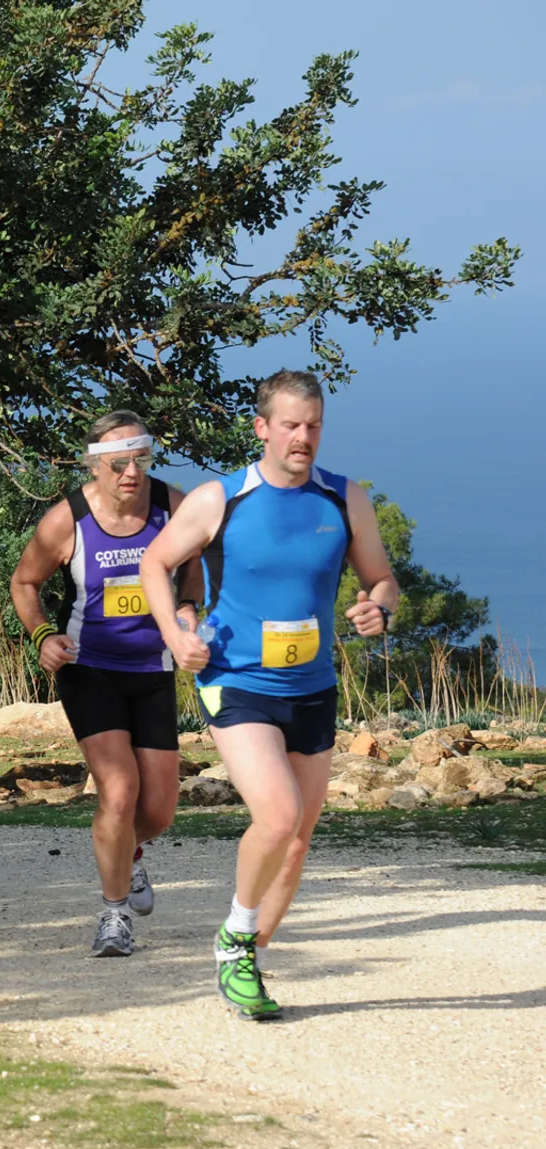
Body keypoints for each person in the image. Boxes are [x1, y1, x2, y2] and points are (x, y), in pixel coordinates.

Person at [140, 370, 398, 1020]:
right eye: (290, 424)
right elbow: (154, 564)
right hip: (234, 679)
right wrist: (175, 633)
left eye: (313, 425)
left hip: (311, 688)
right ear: (262, 428)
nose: (303, 437)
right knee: (278, 816)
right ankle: (235, 932)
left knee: (299, 837)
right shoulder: (221, 499)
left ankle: (244, 955)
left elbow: (382, 579)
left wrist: (379, 610)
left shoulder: (345, 500)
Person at [11, 412, 201, 958]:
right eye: (119, 463)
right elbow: (24, 581)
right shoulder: (66, 521)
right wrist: (43, 634)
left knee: (159, 810)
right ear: (95, 465)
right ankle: (114, 914)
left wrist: (187, 604)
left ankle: (128, 854)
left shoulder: (174, 507)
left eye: (141, 459)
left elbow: (200, 555)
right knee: (118, 792)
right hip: (88, 667)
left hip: (153, 668)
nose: (131, 473)